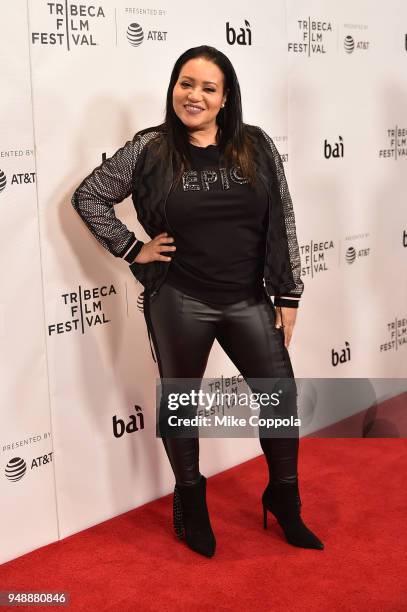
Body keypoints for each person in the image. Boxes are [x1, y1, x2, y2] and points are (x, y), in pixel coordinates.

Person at [72, 45, 324, 558]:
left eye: (208, 87)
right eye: (186, 83)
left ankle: (284, 499)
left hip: (247, 298)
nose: (195, 95)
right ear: (173, 89)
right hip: (180, 299)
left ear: (226, 97)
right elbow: (89, 195)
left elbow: (283, 216)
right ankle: (191, 500)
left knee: (280, 398)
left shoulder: (255, 146)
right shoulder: (151, 148)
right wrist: (133, 249)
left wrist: (288, 292)